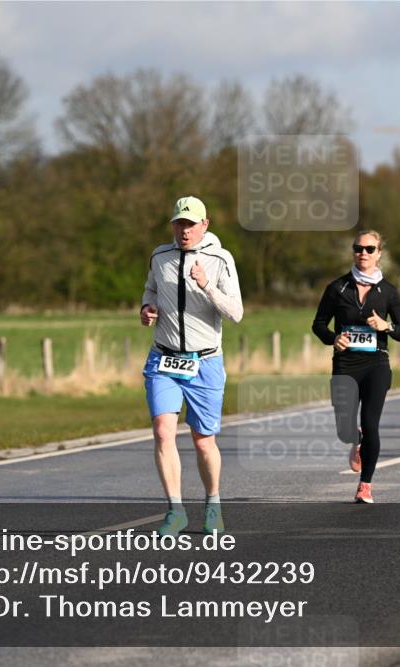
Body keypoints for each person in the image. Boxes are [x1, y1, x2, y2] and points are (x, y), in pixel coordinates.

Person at [140, 196, 243, 536]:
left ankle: (212, 503)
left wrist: (207, 286)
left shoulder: (220, 259)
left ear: (204, 225)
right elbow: (150, 290)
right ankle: (175, 511)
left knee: (203, 441)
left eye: (190, 224)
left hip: (205, 362)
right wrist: (147, 309)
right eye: (178, 223)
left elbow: (236, 313)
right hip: (164, 358)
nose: (183, 230)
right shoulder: (160, 256)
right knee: (162, 431)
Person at [312, 230, 400, 503]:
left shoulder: (389, 292)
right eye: (358, 248)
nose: (363, 253)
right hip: (345, 363)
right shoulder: (337, 288)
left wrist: (386, 326)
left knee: (371, 422)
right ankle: (356, 439)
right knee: (344, 427)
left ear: (379, 253)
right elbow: (318, 324)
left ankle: (365, 484)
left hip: (376, 363)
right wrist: (334, 339)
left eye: (369, 249)